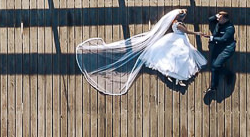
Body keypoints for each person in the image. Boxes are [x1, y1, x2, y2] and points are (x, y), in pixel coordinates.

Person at [76, 7, 207, 95]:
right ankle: (176, 78)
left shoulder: (174, 23)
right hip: (178, 40)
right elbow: (186, 31)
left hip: (177, 40)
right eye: (183, 16)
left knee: (178, 58)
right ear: (180, 17)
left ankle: (176, 78)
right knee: (179, 58)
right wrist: (198, 33)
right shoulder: (178, 25)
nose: (184, 18)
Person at [180, 10, 237, 101]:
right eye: (218, 17)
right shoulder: (219, 21)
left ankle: (228, 75)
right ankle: (214, 87)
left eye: (220, 18)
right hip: (217, 47)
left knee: (216, 65)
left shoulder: (230, 28)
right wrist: (217, 15)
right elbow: (210, 19)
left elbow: (223, 39)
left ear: (225, 19)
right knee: (214, 67)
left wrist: (210, 38)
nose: (217, 19)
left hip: (227, 49)